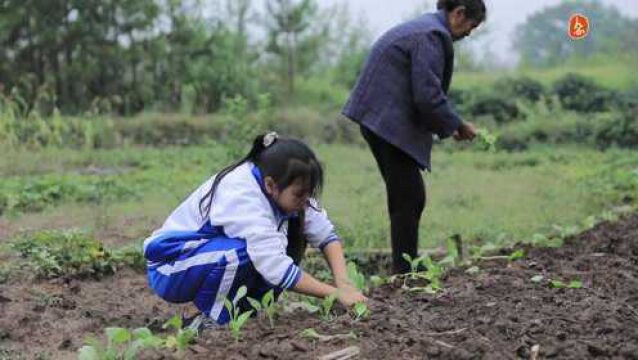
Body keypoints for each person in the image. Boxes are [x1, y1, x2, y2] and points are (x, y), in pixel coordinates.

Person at [143, 132, 367, 327]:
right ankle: (203, 318)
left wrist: (344, 283)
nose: (306, 200)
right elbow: (276, 268)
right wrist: (336, 294)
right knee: (241, 253)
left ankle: (240, 315)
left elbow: (325, 234)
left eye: (309, 193)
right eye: (299, 194)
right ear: (271, 185)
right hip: (171, 265)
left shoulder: (285, 187)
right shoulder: (243, 196)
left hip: (204, 258)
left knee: (291, 234)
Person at [342, 0, 487, 274]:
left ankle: (405, 268)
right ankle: (404, 274)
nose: (470, 32)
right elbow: (427, 95)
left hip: (379, 120)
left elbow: (425, 93)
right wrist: (457, 124)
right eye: (472, 25)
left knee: (405, 196)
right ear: (459, 14)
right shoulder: (431, 36)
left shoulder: (425, 30)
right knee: (409, 197)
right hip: (386, 124)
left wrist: (451, 124)